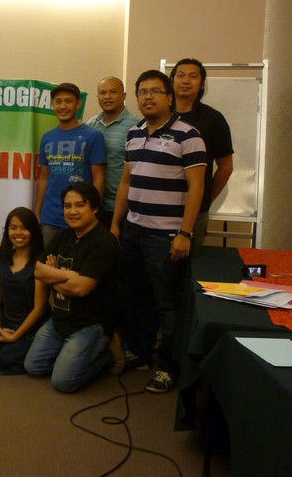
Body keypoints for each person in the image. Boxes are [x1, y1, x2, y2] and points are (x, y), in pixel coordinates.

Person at [111, 70, 206, 394]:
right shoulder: (134, 133)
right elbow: (126, 181)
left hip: (165, 235)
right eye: (142, 92)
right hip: (133, 230)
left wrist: (185, 233)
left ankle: (169, 366)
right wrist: (116, 224)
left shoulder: (188, 135)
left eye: (155, 91)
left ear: (169, 97)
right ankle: (140, 350)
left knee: (168, 303)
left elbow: (196, 188)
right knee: (138, 296)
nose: (148, 97)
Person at [24, 183, 125, 393]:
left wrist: (53, 276)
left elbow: (81, 289)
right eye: (67, 206)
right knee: (33, 367)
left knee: (63, 382)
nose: (72, 211)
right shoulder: (64, 235)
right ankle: (73, 353)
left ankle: (107, 353)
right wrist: (68, 275)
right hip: (60, 319)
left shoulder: (105, 242)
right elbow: (38, 271)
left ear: (94, 208)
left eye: (80, 205)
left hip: (90, 324)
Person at [0, 207, 50, 375]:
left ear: (33, 231)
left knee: (10, 358)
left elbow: (40, 308)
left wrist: (16, 336)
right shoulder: (1, 258)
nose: (18, 233)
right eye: (13, 228)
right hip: (6, 322)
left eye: (24, 228)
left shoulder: (40, 261)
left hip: (31, 325)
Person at [170, 59, 234, 245]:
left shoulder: (213, 119)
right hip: (157, 209)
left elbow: (226, 167)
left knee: (190, 260)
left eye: (193, 76)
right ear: (172, 81)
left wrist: (204, 200)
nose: (185, 81)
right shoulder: (160, 116)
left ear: (202, 84)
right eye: (180, 75)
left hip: (195, 213)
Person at [36, 82, 106, 246]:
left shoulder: (93, 136)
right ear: (53, 105)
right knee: (49, 260)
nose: (63, 106)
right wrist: (38, 211)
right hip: (50, 219)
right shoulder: (47, 137)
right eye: (58, 102)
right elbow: (44, 178)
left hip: (82, 218)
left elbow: (99, 178)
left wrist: (94, 212)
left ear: (78, 103)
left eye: (68, 101)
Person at [87, 76, 140, 229]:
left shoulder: (136, 126)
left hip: (123, 207)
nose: (107, 97)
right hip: (93, 206)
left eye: (113, 92)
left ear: (124, 95)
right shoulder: (91, 125)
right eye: (103, 93)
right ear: (98, 96)